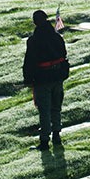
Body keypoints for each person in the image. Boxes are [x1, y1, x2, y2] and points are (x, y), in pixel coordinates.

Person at [23, 9, 69, 151]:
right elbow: (64, 54)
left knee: (44, 111)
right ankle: (56, 136)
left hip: (42, 80)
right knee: (56, 108)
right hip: (58, 77)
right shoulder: (57, 37)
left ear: (35, 22)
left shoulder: (33, 40)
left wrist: (27, 79)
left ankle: (44, 141)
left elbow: (29, 61)